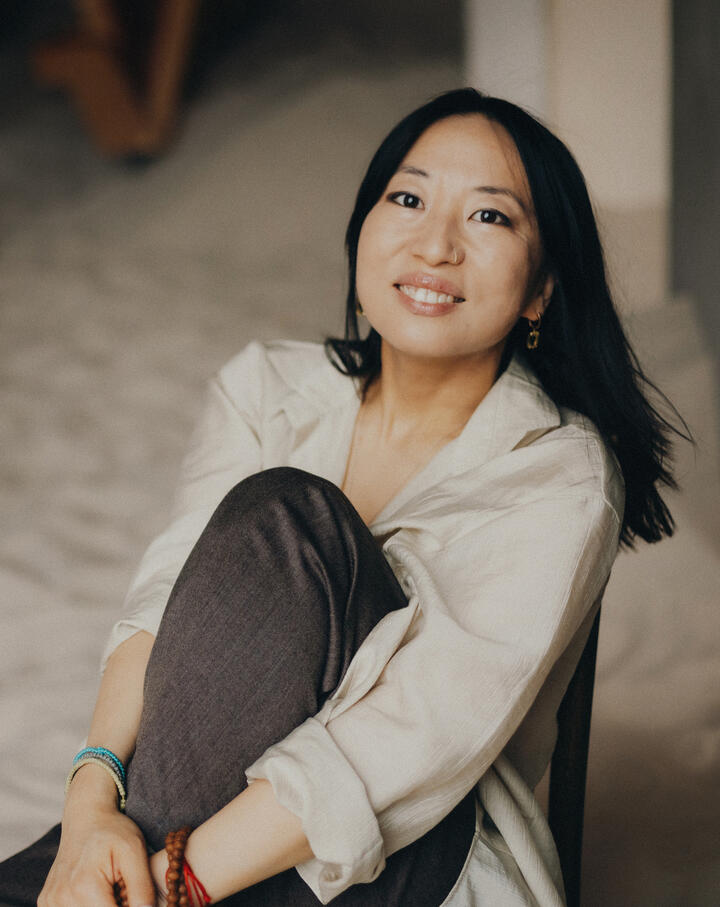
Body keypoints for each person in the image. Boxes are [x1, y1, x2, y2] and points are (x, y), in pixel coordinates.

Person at [0, 88, 689, 907]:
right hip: (196, 818)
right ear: (362, 233)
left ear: (541, 289)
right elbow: (165, 607)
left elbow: (408, 741)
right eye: (408, 199)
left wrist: (171, 882)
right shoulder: (265, 388)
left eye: (489, 216)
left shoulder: (560, 472)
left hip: (401, 854)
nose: (435, 244)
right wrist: (90, 810)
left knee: (292, 521)